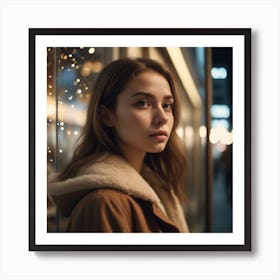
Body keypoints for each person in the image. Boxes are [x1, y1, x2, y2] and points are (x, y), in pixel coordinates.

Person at [48, 57, 190, 233]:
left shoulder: (155, 186)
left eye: (167, 105)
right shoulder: (104, 204)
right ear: (107, 116)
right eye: (143, 103)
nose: (163, 117)